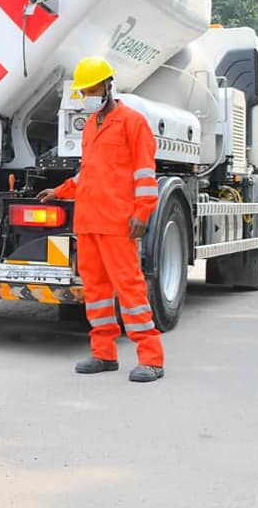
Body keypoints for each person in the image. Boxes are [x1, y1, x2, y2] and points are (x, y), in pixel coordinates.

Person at [37, 56, 165, 383]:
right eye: (84, 90)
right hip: (89, 222)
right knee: (95, 291)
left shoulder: (133, 123)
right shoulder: (92, 125)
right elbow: (89, 175)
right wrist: (60, 191)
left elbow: (145, 175)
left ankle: (151, 359)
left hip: (118, 223)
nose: (88, 94)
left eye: (92, 88)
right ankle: (103, 354)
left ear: (108, 85)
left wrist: (142, 212)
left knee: (130, 290)